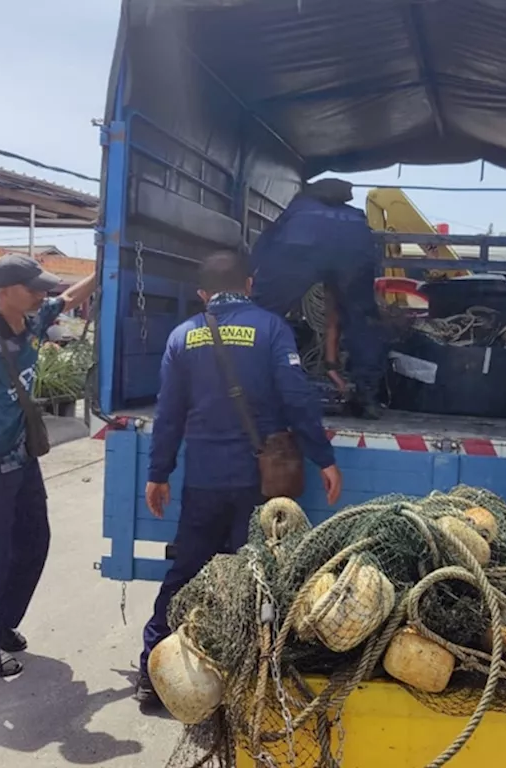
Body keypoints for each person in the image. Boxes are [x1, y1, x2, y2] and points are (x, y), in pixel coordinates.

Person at [135, 249, 342, 708]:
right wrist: (323, 458)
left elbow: (168, 414)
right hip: (257, 482)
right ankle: (243, 679)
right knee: (255, 576)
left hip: (203, 480)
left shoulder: (181, 338)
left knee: (186, 570)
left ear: (203, 293)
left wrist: (158, 473)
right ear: (249, 284)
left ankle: (154, 672)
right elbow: (297, 398)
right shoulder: (270, 329)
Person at [0, 254, 97, 678]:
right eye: (33, 289)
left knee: (34, 541)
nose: (41, 295)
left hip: (23, 457)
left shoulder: (31, 321)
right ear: (6, 291)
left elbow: (69, 297)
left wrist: (106, 260)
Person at [250, 178, 386, 418]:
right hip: (354, 256)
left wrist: (251, 273)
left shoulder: (299, 207)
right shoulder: (355, 216)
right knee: (363, 323)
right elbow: (337, 311)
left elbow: (266, 243)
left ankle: (246, 384)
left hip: (300, 251)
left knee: (262, 315)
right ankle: (367, 397)